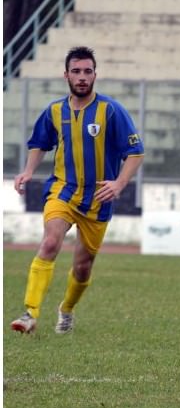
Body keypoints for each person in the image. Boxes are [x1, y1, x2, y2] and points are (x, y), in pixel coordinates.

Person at [10, 46, 145, 335]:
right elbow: (39, 143)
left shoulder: (111, 110)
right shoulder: (55, 111)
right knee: (49, 243)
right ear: (66, 75)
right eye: (76, 71)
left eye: (87, 71)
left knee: (83, 268)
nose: (82, 77)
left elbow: (135, 152)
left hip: (98, 198)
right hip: (63, 190)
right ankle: (29, 313)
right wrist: (29, 171)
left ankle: (67, 310)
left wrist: (119, 183)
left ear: (95, 74)